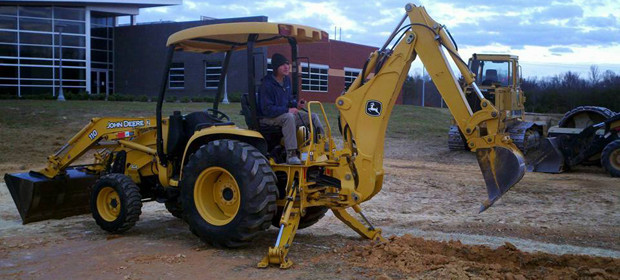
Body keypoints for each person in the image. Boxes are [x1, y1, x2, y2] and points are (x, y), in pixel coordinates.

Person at [258, 53, 325, 165]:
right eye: (282, 65)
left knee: (313, 116)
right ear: (275, 67)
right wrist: (287, 110)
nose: (286, 67)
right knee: (289, 118)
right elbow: (267, 109)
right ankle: (291, 154)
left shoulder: (286, 80)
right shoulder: (267, 84)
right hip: (268, 117)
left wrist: (297, 104)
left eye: (287, 64)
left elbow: (288, 100)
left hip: (282, 114)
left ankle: (322, 144)